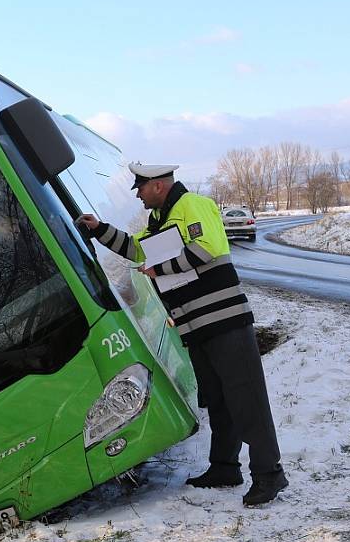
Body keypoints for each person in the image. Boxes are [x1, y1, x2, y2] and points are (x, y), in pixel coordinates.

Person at [77, 162, 287, 506]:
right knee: (218, 399)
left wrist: (161, 269)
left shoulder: (194, 205)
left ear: (158, 185)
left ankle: (270, 474)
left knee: (247, 400)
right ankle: (225, 467)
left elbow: (207, 249)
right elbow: (137, 250)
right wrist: (100, 229)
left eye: (141, 189)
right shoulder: (159, 220)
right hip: (196, 325)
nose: (139, 196)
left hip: (224, 321)